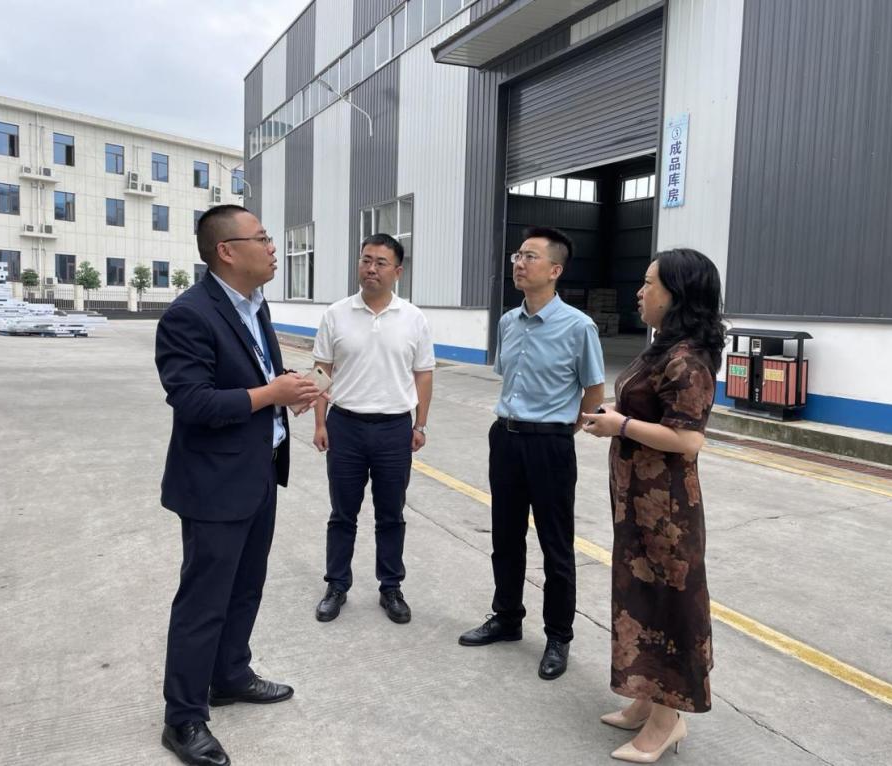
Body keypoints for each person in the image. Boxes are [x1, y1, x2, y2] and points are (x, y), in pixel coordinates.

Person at [155, 205, 322, 766]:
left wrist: (285, 391)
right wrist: (271, 395)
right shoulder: (189, 315)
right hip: (213, 483)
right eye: (263, 238)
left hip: (258, 471)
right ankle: (183, 718)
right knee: (203, 601)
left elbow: (255, 375)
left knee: (247, 586)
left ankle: (229, 674)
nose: (274, 248)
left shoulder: (255, 303)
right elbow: (193, 401)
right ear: (227, 251)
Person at [581, 248, 726, 763]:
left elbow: (687, 440)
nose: (640, 292)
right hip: (636, 503)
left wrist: (619, 425)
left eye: (649, 284)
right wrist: (615, 413)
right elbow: (648, 410)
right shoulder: (662, 347)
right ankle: (645, 698)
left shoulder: (688, 359)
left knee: (669, 605)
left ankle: (668, 720)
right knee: (639, 596)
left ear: (677, 294)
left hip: (667, 512)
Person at [459, 226, 605, 680]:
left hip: (550, 445)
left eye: (530, 256)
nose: (519, 263)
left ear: (555, 270)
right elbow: (507, 376)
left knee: (555, 545)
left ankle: (558, 636)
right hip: (505, 438)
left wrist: (560, 431)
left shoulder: (579, 327)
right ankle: (507, 617)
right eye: (517, 255)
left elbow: (593, 392)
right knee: (505, 536)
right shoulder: (508, 322)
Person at [311, 233, 435, 624]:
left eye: (381, 262)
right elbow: (322, 370)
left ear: (397, 271)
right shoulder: (336, 314)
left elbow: (424, 374)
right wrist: (319, 422)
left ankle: (390, 587)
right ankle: (336, 585)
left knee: (391, 514)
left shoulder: (413, 318)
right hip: (345, 426)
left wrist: (420, 424)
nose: (371, 268)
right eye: (366, 260)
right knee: (342, 514)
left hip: (394, 429)